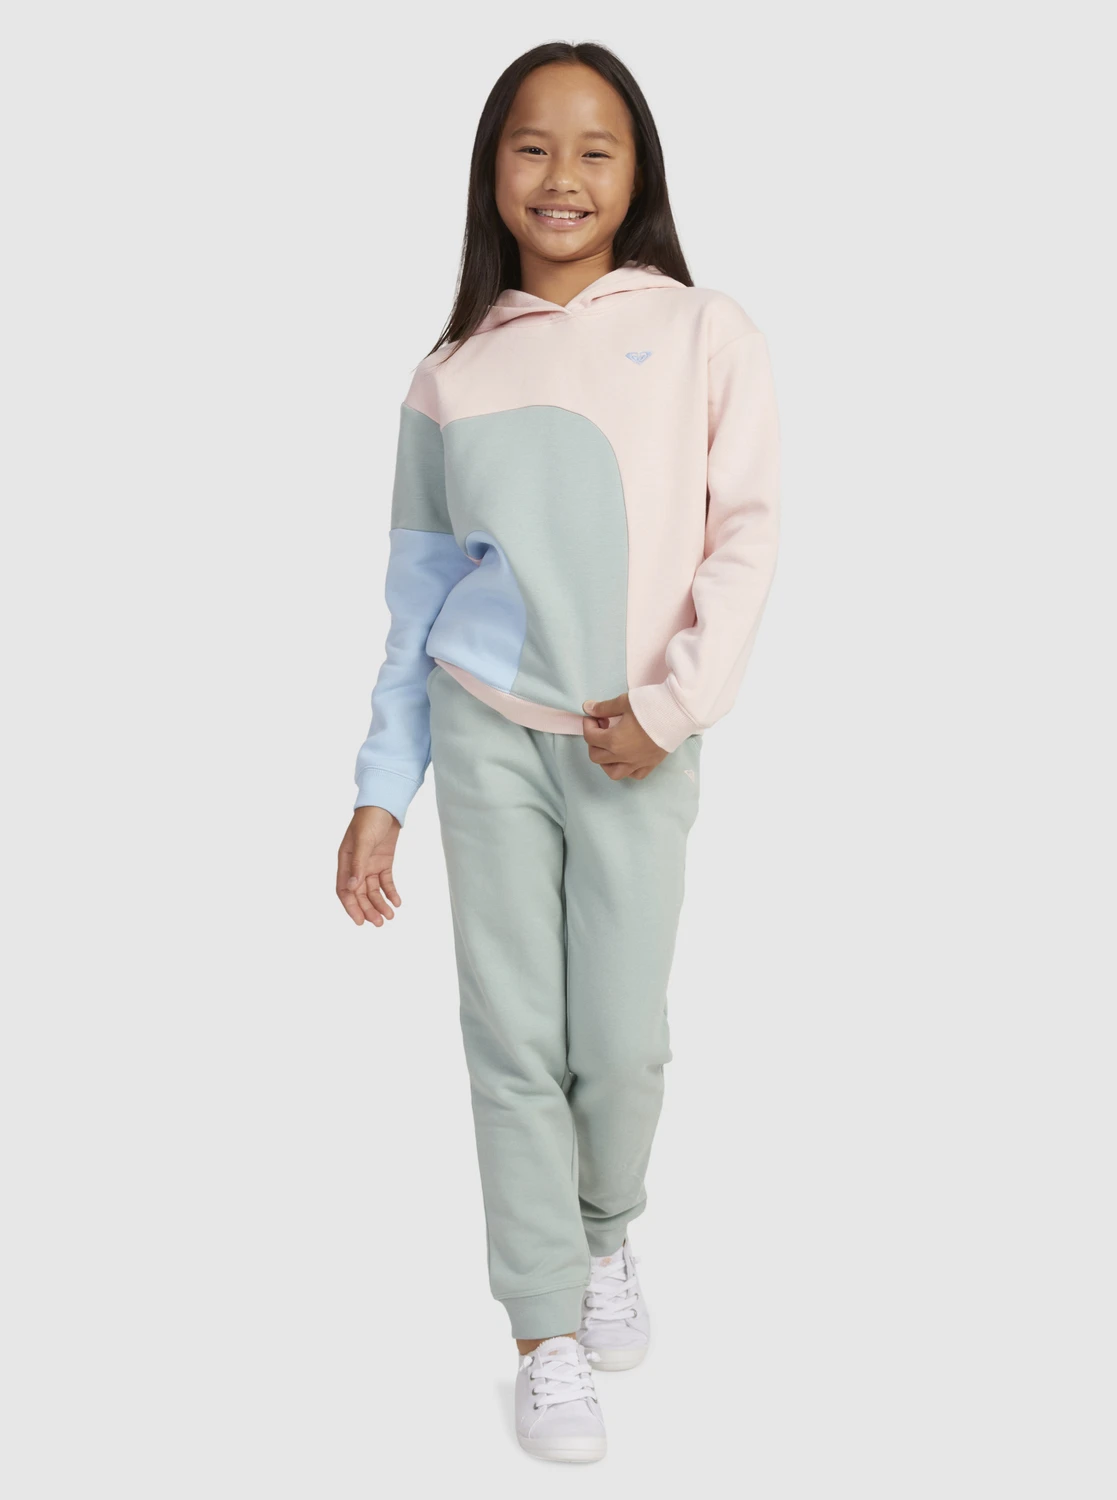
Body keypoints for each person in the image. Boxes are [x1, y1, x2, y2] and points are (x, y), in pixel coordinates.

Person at [335, 40, 780, 1464]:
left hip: (635, 741)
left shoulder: (705, 331)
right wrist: (380, 790)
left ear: (639, 170)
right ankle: (543, 1326)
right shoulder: (451, 372)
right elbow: (417, 596)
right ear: (492, 172)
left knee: (622, 1045)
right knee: (512, 1037)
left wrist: (674, 706)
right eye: (531, 146)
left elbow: (744, 535)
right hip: (486, 730)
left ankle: (603, 1233)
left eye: (597, 147)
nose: (563, 176)